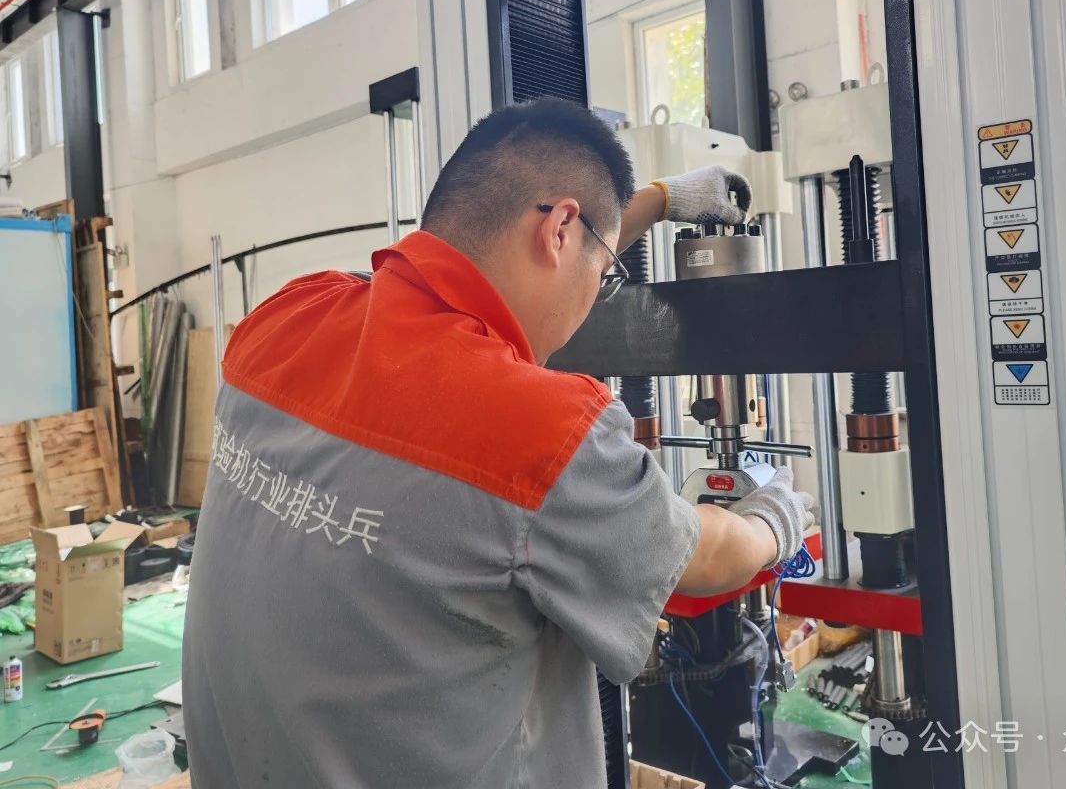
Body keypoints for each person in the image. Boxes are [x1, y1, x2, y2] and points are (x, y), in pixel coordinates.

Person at [183, 97, 815, 788]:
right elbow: (705, 557)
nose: (595, 296)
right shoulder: (541, 434)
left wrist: (662, 200)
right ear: (561, 229)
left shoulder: (284, 316)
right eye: (605, 274)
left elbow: (531, 245)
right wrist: (777, 518)